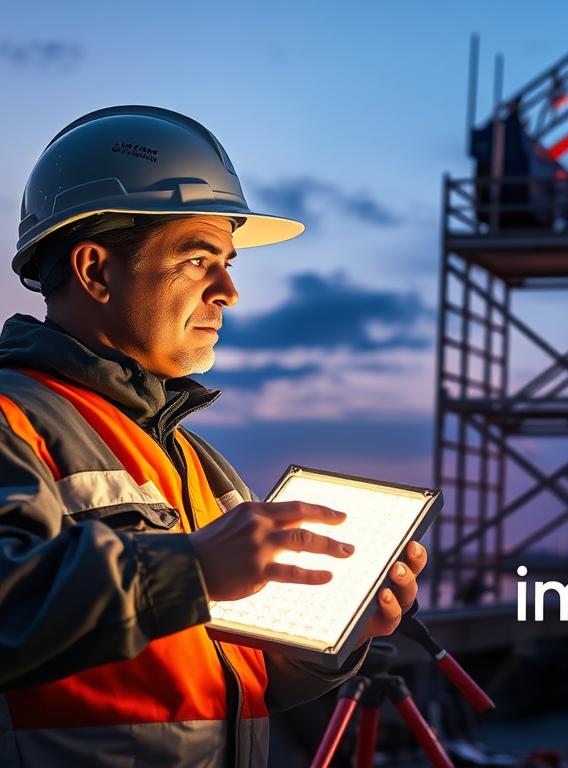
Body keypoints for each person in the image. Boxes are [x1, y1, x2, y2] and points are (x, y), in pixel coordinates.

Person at [0, 106, 425, 766]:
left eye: (227, 263)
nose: (228, 290)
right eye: (198, 259)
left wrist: (338, 634)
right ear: (96, 271)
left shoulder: (201, 465)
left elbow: (241, 680)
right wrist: (192, 568)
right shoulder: (12, 419)